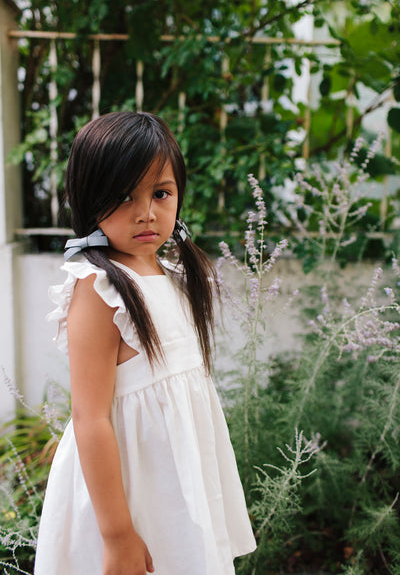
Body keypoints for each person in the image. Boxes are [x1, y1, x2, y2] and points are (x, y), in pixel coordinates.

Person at [34, 111, 256, 575]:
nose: (147, 213)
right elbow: (90, 417)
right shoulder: (98, 289)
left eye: (161, 193)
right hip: (125, 498)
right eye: (123, 196)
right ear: (90, 199)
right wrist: (117, 536)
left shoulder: (173, 276)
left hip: (176, 486)